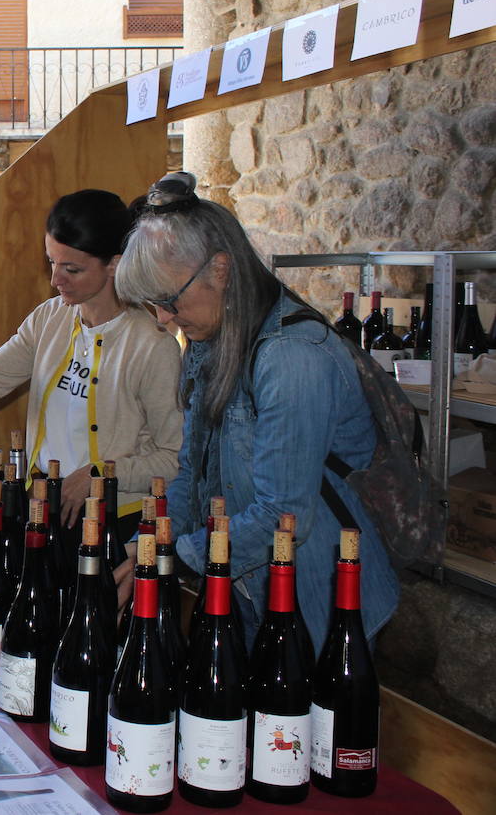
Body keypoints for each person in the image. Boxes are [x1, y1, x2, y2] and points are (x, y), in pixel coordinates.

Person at [114, 172, 400, 647]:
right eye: (152, 305)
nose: (163, 318)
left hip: (317, 607)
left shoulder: (293, 357)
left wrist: (176, 556)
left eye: (167, 300)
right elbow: (193, 471)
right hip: (241, 588)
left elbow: (283, 517)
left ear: (220, 269)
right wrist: (148, 546)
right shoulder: (210, 341)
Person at [0, 189, 183, 539]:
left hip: (116, 521)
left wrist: (100, 473)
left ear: (115, 264)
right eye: (51, 262)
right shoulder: (48, 319)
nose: (55, 280)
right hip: (42, 503)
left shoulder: (153, 346)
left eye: (72, 268)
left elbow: (172, 459)